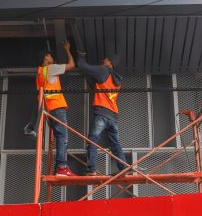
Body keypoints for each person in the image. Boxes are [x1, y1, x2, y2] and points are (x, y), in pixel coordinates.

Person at [77, 52, 132, 176]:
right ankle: (123, 168)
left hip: (101, 113)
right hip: (113, 116)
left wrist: (81, 55)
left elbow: (82, 65)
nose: (103, 60)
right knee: (115, 143)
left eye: (106, 59)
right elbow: (95, 84)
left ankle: (91, 169)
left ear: (110, 64)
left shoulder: (103, 71)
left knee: (93, 140)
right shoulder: (117, 79)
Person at [36, 41, 77, 176]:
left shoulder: (40, 74)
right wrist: (67, 49)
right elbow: (72, 65)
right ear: (47, 57)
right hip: (57, 106)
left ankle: (59, 167)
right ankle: (62, 167)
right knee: (63, 137)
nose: (53, 59)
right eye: (51, 56)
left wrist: (47, 117)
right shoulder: (51, 68)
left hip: (49, 110)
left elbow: (40, 98)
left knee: (60, 136)